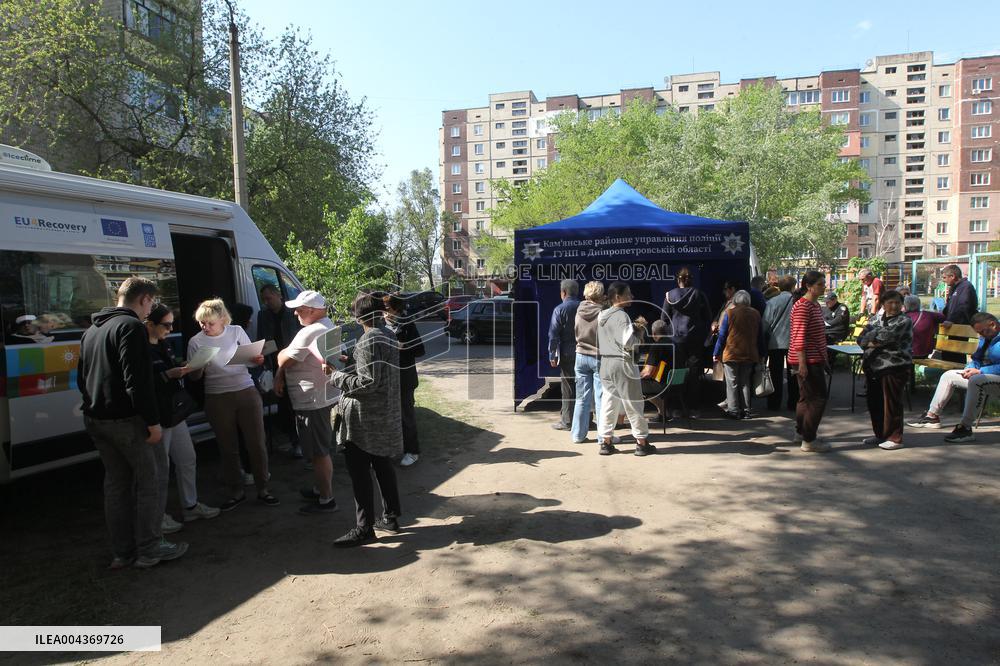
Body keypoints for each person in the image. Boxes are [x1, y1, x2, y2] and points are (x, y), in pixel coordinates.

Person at [77, 277, 188, 569]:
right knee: (152, 479)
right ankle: (151, 548)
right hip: (128, 421)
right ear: (144, 300)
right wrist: (152, 422)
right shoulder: (131, 327)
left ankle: (122, 552)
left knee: (116, 485)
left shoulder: (92, 330)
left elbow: (81, 378)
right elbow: (137, 381)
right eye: (150, 303)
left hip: (97, 419)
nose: (149, 309)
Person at [327, 293, 404, 547]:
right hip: (383, 416)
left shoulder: (369, 339)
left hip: (364, 420)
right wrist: (354, 362)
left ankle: (364, 528)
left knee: (360, 473)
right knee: (382, 466)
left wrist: (335, 375)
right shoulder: (387, 334)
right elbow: (377, 371)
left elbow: (368, 382)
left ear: (358, 316)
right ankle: (390, 517)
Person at [188, 298, 276, 510]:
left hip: (245, 389)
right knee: (228, 447)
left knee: (256, 442)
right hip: (217, 396)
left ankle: (263, 488)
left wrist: (258, 359)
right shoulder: (196, 341)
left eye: (210, 323)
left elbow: (252, 357)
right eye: (202, 323)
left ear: (222, 319)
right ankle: (236, 491)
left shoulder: (235, 331)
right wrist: (198, 366)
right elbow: (194, 377)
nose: (205, 327)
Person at [145, 304, 220, 533]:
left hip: (174, 412)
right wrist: (168, 374)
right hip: (159, 414)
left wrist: (183, 368)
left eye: (172, 324)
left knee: (187, 458)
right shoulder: (141, 348)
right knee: (160, 467)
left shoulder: (164, 344)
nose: (170, 329)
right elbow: (141, 383)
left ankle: (190, 505)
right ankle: (158, 517)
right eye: (166, 325)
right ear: (150, 325)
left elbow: (169, 370)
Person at [271, 290, 338, 515]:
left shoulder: (311, 331)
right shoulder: (327, 325)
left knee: (318, 452)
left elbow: (285, 359)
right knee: (321, 448)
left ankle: (327, 499)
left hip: (312, 399)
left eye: (299, 310)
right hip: (320, 396)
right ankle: (321, 489)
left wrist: (281, 359)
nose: (296, 314)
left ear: (312, 310)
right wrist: (280, 371)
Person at [908, 312, 1000, 442]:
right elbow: (976, 358)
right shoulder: (986, 338)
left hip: (990, 378)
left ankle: (965, 428)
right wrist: (969, 368)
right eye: (979, 333)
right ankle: (932, 417)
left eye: (982, 332)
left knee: (976, 380)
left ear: (993, 325)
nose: (981, 335)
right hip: (984, 376)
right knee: (948, 376)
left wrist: (980, 371)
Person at [596, 282, 655, 457]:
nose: (632, 296)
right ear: (617, 297)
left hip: (606, 364)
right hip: (623, 364)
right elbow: (628, 342)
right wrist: (640, 337)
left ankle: (606, 442)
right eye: (628, 294)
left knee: (608, 403)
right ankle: (642, 443)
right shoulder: (621, 316)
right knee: (634, 403)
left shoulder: (602, 315)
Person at [857, 291, 913, 450]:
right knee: (875, 401)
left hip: (894, 365)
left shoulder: (904, 320)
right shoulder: (875, 319)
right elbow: (861, 339)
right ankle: (880, 433)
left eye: (897, 302)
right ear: (883, 304)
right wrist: (870, 339)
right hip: (873, 365)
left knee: (892, 403)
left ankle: (895, 437)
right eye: (890, 302)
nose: (894, 306)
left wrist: (872, 337)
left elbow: (885, 337)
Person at [257, 284, 303, 457]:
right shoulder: (263, 315)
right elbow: (261, 340)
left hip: (294, 363)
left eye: (269, 298)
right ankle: (294, 440)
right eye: (264, 299)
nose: (266, 302)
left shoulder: (292, 312)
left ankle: (302, 442)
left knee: (297, 403)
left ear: (278, 295)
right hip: (275, 364)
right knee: (284, 406)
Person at [789, 271, 831, 453]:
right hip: (807, 360)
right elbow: (799, 336)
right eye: (820, 284)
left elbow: (818, 335)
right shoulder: (802, 306)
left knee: (806, 398)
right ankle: (809, 439)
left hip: (815, 358)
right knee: (818, 398)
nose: (824, 287)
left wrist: (825, 357)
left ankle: (801, 432)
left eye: (824, 283)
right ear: (809, 286)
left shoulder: (815, 305)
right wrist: (803, 364)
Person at [384, 293, 426, 466]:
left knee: (406, 416)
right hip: (388, 378)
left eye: (387, 309)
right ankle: (394, 448)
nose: (384, 312)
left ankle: (412, 451)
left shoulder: (407, 324)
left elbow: (420, 350)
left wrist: (402, 347)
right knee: (390, 416)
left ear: (396, 309)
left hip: (405, 379)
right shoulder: (382, 325)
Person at [713, 290, 766, 419]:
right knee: (745, 382)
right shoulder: (756, 314)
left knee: (732, 383)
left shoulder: (729, 313)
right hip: (749, 353)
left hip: (731, 353)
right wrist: (762, 353)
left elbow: (722, 335)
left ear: (735, 300)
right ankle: (746, 410)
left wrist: (716, 352)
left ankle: (733, 410)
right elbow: (760, 336)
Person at [660, 267, 713, 398]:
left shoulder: (669, 296)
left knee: (677, 371)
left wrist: (671, 333)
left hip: (676, 340)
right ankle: (693, 407)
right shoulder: (699, 294)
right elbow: (708, 317)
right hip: (695, 339)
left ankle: (677, 406)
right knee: (694, 372)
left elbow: (664, 319)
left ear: (678, 280)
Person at [571, 281, 607, 443]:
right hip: (598, 357)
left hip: (580, 356)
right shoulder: (603, 313)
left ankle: (578, 435)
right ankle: (602, 437)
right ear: (600, 295)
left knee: (581, 399)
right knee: (601, 399)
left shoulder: (578, 310)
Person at [548, 280, 580, 431]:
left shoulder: (559, 309)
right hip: (587, 352)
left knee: (568, 387)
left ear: (563, 293)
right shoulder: (585, 307)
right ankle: (586, 419)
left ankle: (567, 421)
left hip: (567, 353)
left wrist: (552, 354)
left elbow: (553, 335)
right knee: (585, 387)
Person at [763, 276, 797, 411]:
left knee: (775, 374)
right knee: (793, 374)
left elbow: (765, 323)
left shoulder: (772, 302)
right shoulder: (796, 302)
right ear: (793, 287)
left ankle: (774, 404)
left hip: (775, 343)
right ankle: (793, 403)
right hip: (793, 343)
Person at [640, 320, 674, 425]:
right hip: (677, 383)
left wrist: (634, 377)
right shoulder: (674, 344)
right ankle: (663, 414)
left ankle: (628, 421)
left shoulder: (657, 346)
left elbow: (648, 373)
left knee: (633, 385)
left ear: (654, 334)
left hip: (662, 385)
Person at [905, 295, 944, 359]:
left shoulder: (902, 317)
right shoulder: (929, 315)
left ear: (905, 306)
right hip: (925, 352)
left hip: (908, 353)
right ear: (919, 304)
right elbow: (943, 317)